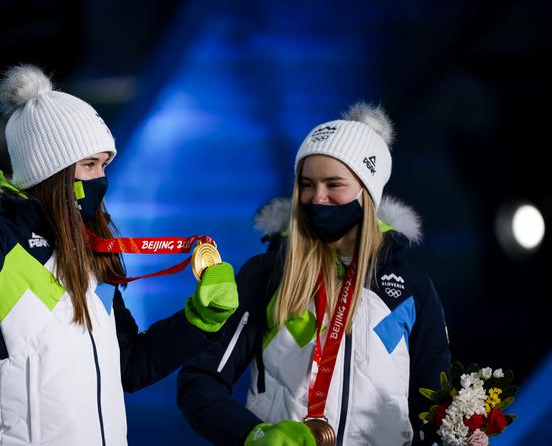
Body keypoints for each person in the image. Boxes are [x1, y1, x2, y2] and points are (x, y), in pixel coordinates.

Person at [0, 64, 238, 446]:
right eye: (89, 165)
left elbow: (130, 368)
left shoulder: (94, 250)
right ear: (52, 172)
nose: (100, 180)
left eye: (104, 165)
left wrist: (200, 321)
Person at [177, 103, 451, 446]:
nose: (316, 198)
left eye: (333, 184)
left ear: (367, 193)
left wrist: (461, 431)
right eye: (307, 184)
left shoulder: (411, 289)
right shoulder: (269, 275)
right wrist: (255, 435)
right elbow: (199, 381)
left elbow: (433, 406)